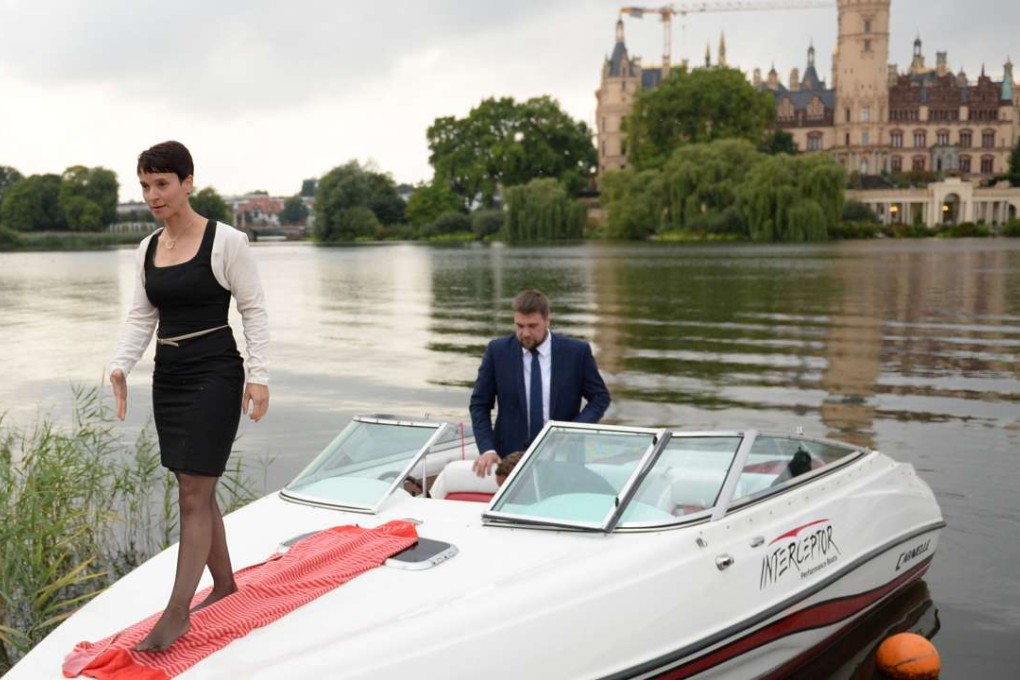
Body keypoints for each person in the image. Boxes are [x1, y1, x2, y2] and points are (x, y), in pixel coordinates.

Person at [108, 141, 269, 652]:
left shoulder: (226, 241)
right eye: (145, 185)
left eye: (162, 184)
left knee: (193, 493)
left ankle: (177, 614)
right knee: (194, 484)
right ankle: (223, 584)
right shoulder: (147, 247)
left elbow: (254, 311)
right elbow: (142, 316)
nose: (153, 195)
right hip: (170, 375)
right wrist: (120, 365)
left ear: (187, 182)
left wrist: (258, 376)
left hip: (215, 372)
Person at [470, 289, 610, 477]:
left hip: (565, 458)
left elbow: (600, 397)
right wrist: (487, 449)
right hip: (509, 460)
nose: (525, 333)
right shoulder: (498, 352)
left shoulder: (576, 352)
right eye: (519, 326)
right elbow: (479, 404)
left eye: (532, 326)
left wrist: (572, 431)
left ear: (547, 320)